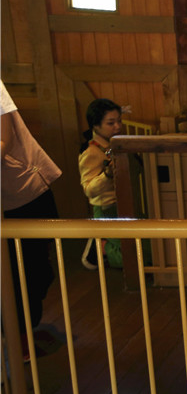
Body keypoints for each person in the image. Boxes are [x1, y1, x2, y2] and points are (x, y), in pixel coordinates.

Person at [1, 80, 61, 346]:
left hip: (23, 190)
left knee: (33, 268)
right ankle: (17, 336)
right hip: (12, 194)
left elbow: (5, 138)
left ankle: (22, 334)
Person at [78, 98, 123, 269]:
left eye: (119, 121)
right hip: (106, 208)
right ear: (95, 126)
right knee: (137, 253)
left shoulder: (116, 143)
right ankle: (100, 250)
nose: (117, 126)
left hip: (122, 204)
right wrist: (107, 174)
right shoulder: (91, 152)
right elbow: (88, 189)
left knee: (144, 246)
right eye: (111, 123)